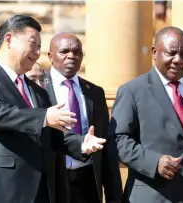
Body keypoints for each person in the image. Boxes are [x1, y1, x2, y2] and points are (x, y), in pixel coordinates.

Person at [0, 15, 106, 203]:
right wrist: (45, 116)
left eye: (40, 47)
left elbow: (53, 134)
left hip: (40, 191)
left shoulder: (37, 91)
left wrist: (81, 143)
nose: (37, 52)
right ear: (9, 39)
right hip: (0, 189)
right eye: (33, 44)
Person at [109, 26, 183, 203]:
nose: (178, 60)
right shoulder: (132, 91)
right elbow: (118, 139)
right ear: (155, 52)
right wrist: (154, 163)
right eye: (171, 53)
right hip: (153, 196)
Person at [44, 33, 123, 203]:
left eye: (77, 52)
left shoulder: (94, 93)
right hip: (52, 181)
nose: (72, 56)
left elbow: (106, 146)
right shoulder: (38, 88)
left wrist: (114, 196)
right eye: (64, 51)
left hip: (88, 182)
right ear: (50, 56)